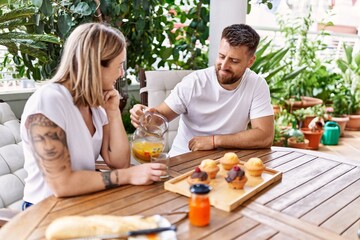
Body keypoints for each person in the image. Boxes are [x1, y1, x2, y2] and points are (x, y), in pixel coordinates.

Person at [20, 23, 167, 209]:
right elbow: (62, 184)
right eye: (119, 66)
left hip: (84, 203)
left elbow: (119, 162)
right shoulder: (48, 101)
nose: (121, 74)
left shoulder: (95, 106)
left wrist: (113, 111)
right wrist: (129, 176)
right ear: (95, 65)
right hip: (45, 211)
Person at [130, 24, 274, 156]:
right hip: (184, 159)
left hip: (226, 163)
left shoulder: (256, 84)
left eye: (234, 61)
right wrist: (143, 116)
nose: (224, 65)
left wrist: (214, 141)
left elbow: (265, 136)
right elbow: (159, 118)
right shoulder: (194, 82)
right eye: (221, 56)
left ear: (250, 61)